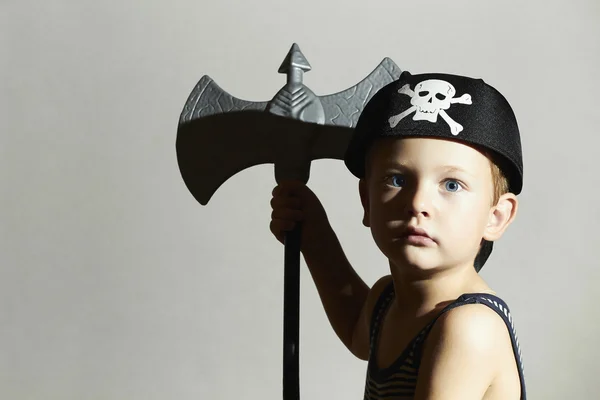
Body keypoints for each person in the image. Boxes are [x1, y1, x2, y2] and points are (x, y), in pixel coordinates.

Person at [270, 71, 527, 399]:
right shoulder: (385, 300)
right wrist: (315, 238)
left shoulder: (469, 328)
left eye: (451, 185)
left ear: (496, 216)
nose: (418, 203)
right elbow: (355, 331)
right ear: (367, 201)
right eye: (396, 180)